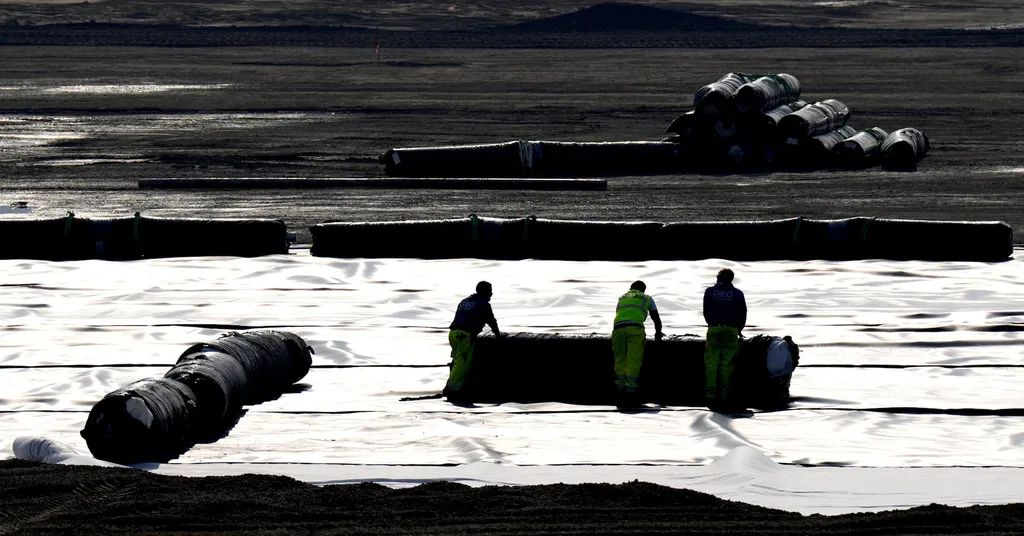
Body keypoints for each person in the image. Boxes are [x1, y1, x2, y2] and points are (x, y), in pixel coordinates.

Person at [444, 281, 501, 402]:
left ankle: (449, 385)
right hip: (464, 335)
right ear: (484, 291)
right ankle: (453, 390)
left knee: (456, 360)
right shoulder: (483, 304)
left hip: (453, 334)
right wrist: (498, 335)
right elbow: (491, 320)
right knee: (462, 364)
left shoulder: (465, 301)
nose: (491, 293)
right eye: (490, 291)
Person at [611, 280, 663, 405]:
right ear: (643, 290)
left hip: (618, 329)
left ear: (631, 288)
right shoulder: (646, 298)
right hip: (635, 329)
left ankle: (620, 389)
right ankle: (630, 391)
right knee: (633, 359)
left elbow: (619, 313)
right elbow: (656, 318)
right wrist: (658, 333)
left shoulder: (622, 298)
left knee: (620, 359)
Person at [703, 268, 747, 410]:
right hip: (731, 330)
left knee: (711, 362)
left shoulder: (709, 292)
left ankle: (710, 395)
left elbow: (706, 310)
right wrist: (738, 329)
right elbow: (743, 313)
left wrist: (711, 323)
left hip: (714, 328)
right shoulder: (738, 294)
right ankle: (724, 395)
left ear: (719, 277)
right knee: (726, 364)